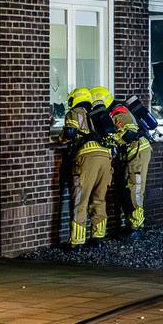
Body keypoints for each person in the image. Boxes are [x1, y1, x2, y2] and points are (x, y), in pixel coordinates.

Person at [93, 85, 152, 238]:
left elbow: (130, 132)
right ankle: (131, 223)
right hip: (131, 153)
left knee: (135, 188)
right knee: (127, 188)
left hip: (137, 151)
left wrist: (113, 140)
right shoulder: (113, 112)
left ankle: (137, 227)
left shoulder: (119, 111)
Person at [62, 86, 114, 247]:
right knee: (99, 199)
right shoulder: (97, 115)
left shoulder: (75, 112)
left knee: (81, 200)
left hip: (87, 158)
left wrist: (61, 137)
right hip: (105, 157)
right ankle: (98, 237)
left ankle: (77, 241)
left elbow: (70, 133)